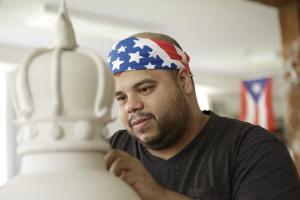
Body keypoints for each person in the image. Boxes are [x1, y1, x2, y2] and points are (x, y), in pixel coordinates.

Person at [104, 32, 300, 200]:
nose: (131, 105)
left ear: (183, 81)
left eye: (145, 89)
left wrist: (159, 195)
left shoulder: (253, 149)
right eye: (121, 98)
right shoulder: (109, 151)